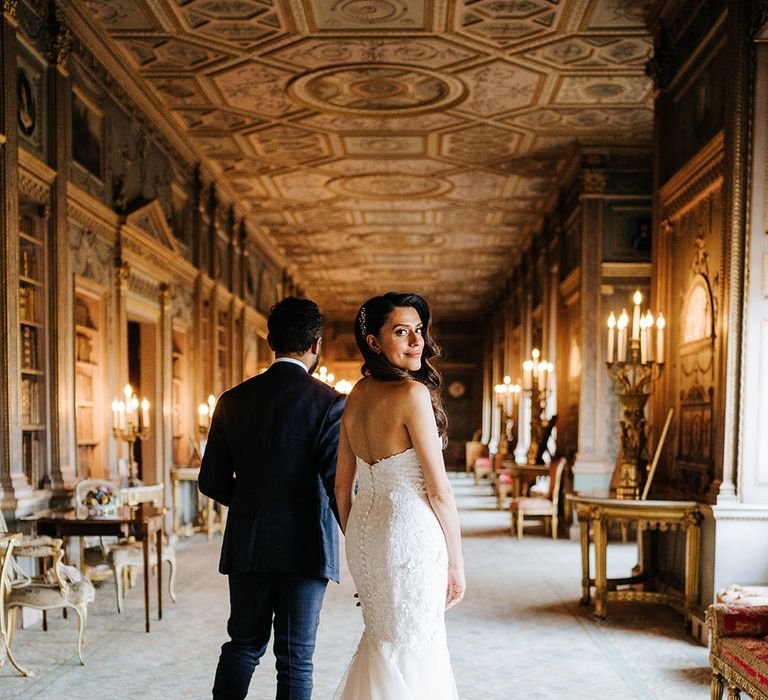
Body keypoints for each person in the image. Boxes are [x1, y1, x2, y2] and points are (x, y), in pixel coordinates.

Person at [199, 296, 346, 700]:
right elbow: (336, 486)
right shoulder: (331, 403)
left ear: (270, 340)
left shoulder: (232, 401)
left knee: (243, 645)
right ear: (316, 344)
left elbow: (210, 481)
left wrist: (251, 502)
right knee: (296, 659)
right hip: (307, 547)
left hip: (249, 542)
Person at [334, 292, 464, 700]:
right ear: (373, 342)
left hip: (364, 535)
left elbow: (341, 487)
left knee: (383, 640)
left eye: (419, 331)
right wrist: (457, 563)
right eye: (401, 331)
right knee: (415, 644)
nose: (416, 342)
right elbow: (439, 490)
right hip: (410, 536)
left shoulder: (355, 394)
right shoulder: (412, 395)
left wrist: (358, 539)